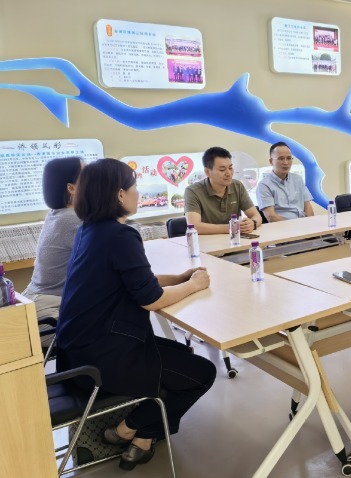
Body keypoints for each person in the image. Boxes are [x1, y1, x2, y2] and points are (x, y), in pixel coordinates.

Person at [56, 159, 216, 471]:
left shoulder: (89, 231)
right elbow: (152, 299)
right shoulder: (121, 235)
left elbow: (135, 281)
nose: (138, 192)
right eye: (134, 186)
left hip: (75, 355)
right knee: (203, 374)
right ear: (119, 194)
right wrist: (195, 285)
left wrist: (179, 279)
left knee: (180, 354)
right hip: (105, 360)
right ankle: (128, 430)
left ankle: (142, 439)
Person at [22, 157, 83, 345]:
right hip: (49, 312)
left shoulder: (58, 214)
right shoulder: (73, 220)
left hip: (36, 302)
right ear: (71, 188)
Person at [184, 146, 262, 234]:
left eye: (230, 168)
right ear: (207, 172)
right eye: (222, 169)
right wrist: (231, 227)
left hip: (235, 240)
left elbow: (256, 215)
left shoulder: (237, 186)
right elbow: (194, 226)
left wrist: (253, 223)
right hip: (207, 241)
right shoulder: (193, 191)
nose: (229, 173)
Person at [256, 142, 314, 221]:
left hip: (303, 224)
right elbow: (271, 217)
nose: (286, 163)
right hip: (282, 226)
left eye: (289, 158)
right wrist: (293, 227)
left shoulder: (298, 179)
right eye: (281, 158)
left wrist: (310, 223)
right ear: (271, 161)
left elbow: (308, 207)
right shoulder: (264, 185)